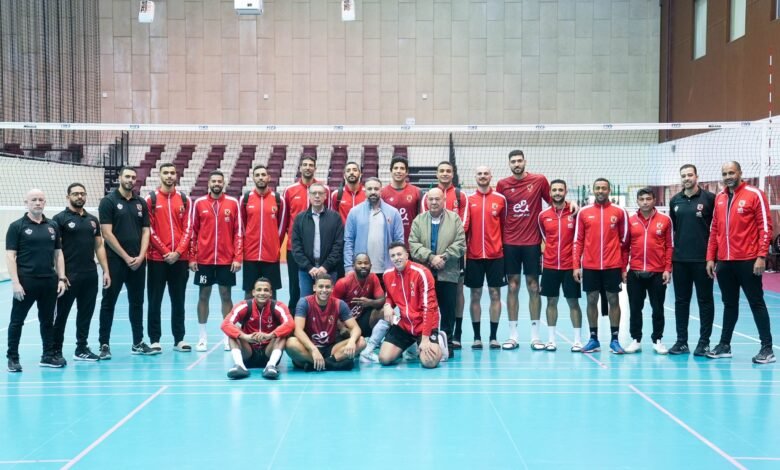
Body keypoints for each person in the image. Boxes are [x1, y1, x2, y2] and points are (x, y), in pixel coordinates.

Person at [705, 161, 775, 364]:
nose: (728, 176)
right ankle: (724, 345)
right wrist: (710, 257)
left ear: (740, 173)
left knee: (756, 302)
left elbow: (765, 227)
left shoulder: (755, 194)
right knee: (729, 304)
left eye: (731, 172)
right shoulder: (720, 198)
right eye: (725, 173)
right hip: (725, 262)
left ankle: (767, 348)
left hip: (749, 260)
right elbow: (714, 230)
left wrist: (761, 256)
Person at [496, 150, 555, 351]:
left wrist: (571, 204)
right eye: (513, 161)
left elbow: (553, 203)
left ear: (525, 162)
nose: (517, 164)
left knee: (533, 286)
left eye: (519, 160)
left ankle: (535, 336)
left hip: (532, 243)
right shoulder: (502, 185)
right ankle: (513, 336)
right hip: (510, 243)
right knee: (512, 287)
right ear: (509, 164)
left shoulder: (539, 180)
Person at [6, 189, 68, 372]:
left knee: (47, 321)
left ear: (45, 202)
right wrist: (15, 283)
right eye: (34, 200)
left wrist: (61, 278)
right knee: (17, 321)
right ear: (26, 203)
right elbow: (10, 256)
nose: (38, 203)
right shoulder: (16, 226)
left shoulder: (52, 225)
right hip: (26, 282)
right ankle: (13, 358)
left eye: (41, 199)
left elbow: (58, 254)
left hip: (49, 281)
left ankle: (47, 355)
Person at [98, 167, 154, 358]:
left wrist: (141, 255)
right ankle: (104, 344)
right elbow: (107, 233)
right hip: (115, 261)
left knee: (137, 303)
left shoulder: (140, 202)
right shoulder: (108, 202)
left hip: (138, 262)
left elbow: (146, 230)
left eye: (133, 177)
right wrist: (125, 256)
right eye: (127, 176)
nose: (130, 180)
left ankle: (138, 342)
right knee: (108, 302)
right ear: (120, 178)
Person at [52, 183, 111, 363]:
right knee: (61, 315)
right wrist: (61, 276)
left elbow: (99, 246)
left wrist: (105, 271)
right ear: (68, 197)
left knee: (85, 314)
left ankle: (81, 348)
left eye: (82, 194)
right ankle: (55, 350)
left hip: (90, 275)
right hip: (69, 276)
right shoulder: (59, 219)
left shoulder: (92, 220)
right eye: (76, 194)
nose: (79, 197)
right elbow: (56, 251)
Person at [573, 178, 628, 354]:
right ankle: (593, 339)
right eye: (597, 188)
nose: (600, 191)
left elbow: (625, 241)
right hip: (590, 266)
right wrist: (576, 265)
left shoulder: (619, 211)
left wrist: (623, 267)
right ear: (593, 190)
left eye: (604, 188)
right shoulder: (584, 212)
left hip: (612, 265)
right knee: (591, 300)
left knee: (614, 300)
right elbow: (578, 240)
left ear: (609, 190)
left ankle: (614, 340)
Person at [408, 188, 466, 358]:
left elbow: (461, 243)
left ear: (444, 200)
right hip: (424, 274)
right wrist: (431, 257)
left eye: (437, 199)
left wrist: (444, 257)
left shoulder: (454, 219)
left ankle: (447, 344)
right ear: (426, 201)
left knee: (448, 311)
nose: (433, 202)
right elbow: (413, 244)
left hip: (448, 272)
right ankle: (426, 342)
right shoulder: (419, 220)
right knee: (425, 309)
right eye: (431, 199)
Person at [189, 171, 243, 352]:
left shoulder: (233, 203)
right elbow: (193, 232)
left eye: (220, 181)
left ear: (224, 183)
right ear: (209, 183)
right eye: (214, 181)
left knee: (226, 296)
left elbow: (238, 232)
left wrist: (237, 257)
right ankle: (202, 337)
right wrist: (192, 257)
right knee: (203, 296)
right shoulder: (199, 203)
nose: (217, 184)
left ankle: (228, 337)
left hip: (226, 260)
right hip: (204, 260)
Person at [668, 164, 716, 356]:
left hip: (703, 261)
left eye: (689, 175)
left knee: (705, 301)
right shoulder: (675, 200)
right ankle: (681, 342)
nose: (686, 178)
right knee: (681, 302)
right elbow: (675, 228)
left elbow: (717, 228)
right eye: (683, 176)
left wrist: (713, 257)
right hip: (680, 260)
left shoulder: (709, 199)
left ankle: (704, 343)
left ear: (697, 176)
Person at [145, 162, 191, 354]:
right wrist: (165, 252)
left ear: (176, 175)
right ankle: (154, 340)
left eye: (172, 172)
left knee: (178, 300)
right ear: (160, 175)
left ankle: (179, 339)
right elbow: (149, 230)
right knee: (154, 300)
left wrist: (178, 252)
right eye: (166, 173)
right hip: (157, 259)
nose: (170, 176)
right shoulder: (151, 199)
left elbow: (188, 229)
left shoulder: (184, 199)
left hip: (180, 260)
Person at [421, 160, 468, 348]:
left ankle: (453, 336)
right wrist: (431, 257)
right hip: (429, 260)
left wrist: (444, 255)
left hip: (452, 259)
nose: (445, 173)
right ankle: (428, 336)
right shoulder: (427, 197)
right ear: (437, 173)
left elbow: (463, 226)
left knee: (454, 296)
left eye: (448, 171)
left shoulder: (459, 195)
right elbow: (423, 226)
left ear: (453, 173)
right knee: (429, 299)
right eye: (442, 171)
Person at [379, 242, 447, 368]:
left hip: (424, 325)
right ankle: (411, 346)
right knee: (384, 358)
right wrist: (387, 306)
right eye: (393, 256)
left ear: (406, 255)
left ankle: (439, 340)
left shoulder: (422, 273)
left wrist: (425, 339)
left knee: (429, 362)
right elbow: (389, 297)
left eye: (399, 254)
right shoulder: (387, 275)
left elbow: (429, 307)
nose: (396, 258)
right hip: (405, 325)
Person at [623, 188, 673, 355]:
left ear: (654, 200)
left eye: (648, 199)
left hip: (657, 273)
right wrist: (623, 269)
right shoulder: (630, 221)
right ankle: (635, 340)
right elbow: (625, 248)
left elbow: (669, 246)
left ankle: (657, 340)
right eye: (642, 199)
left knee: (658, 309)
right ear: (637, 201)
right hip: (635, 272)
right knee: (635, 308)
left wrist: (667, 269)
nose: (645, 202)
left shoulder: (665, 220)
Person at [285, 273, 366, 371]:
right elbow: (298, 330)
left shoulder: (339, 304)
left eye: (327, 287)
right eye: (321, 287)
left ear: (332, 288)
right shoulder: (304, 302)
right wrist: (313, 349)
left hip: (331, 348)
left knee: (361, 341)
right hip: (309, 348)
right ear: (314, 288)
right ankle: (332, 364)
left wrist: (352, 341)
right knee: (290, 343)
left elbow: (355, 328)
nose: (324, 290)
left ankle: (318, 365)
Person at [463, 167, 507, 349]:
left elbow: (504, 226)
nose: (482, 176)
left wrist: (500, 247)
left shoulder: (500, 199)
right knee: (475, 294)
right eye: (479, 174)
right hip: (474, 255)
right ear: (475, 177)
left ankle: (494, 337)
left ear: (491, 176)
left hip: (496, 256)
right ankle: (477, 337)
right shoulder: (468, 200)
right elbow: (464, 228)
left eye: (485, 173)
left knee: (495, 294)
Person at [537, 180, 583, 352]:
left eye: (560, 190)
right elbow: (545, 237)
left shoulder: (575, 212)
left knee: (573, 302)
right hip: (550, 266)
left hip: (570, 266)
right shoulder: (543, 215)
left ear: (565, 191)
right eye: (554, 190)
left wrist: (577, 263)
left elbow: (580, 237)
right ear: (550, 192)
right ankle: (551, 340)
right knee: (551, 301)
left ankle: (577, 340)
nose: (557, 192)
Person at [221, 277, 294, 380]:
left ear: (271, 293)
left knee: (281, 333)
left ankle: (271, 365)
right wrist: (245, 337)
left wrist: (270, 335)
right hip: (248, 352)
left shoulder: (278, 306)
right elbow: (225, 324)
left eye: (266, 290)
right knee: (234, 331)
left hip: (268, 352)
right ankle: (239, 365)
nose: (262, 293)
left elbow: (290, 324)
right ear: (253, 292)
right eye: (259, 290)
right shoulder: (244, 305)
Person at [283, 156, 330, 311]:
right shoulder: (289, 190)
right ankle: (294, 319)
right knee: (295, 288)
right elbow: (284, 219)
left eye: (311, 165)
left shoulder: (324, 190)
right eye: (305, 165)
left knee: (320, 287)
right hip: (295, 249)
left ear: (315, 168)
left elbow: (328, 216)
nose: (308, 167)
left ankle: (318, 318)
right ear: (300, 168)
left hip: (318, 248)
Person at [333, 253, 388, 363]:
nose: (363, 266)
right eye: (359, 263)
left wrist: (370, 302)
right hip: (345, 325)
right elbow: (331, 308)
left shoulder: (373, 278)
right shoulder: (343, 282)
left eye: (366, 263)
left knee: (384, 312)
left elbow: (382, 300)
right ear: (353, 266)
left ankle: (369, 348)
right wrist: (341, 327)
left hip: (362, 319)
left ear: (371, 266)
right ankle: (359, 342)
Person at [241, 164, 285, 299]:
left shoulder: (278, 199)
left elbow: (281, 228)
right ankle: (249, 314)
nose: (261, 177)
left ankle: (271, 314)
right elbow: (242, 226)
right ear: (253, 178)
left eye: (263, 175)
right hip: (250, 255)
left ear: (268, 177)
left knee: (271, 293)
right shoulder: (245, 199)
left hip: (271, 255)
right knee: (249, 292)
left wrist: (274, 245)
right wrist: (247, 245)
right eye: (257, 175)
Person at [291, 183, 344, 296]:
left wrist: (325, 266)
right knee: (306, 302)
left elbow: (338, 246)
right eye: (314, 193)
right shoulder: (300, 218)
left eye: (320, 193)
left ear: (325, 196)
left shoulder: (335, 218)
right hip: (306, 271)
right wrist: (309, 267)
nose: (317, 196)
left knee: (329, 302)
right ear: (309, 196)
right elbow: (296, 247)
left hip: (329, 270)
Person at [343, 177, 404, 275]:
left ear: (381, 190)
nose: (373, 192)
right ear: (365, 191)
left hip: (388, 270)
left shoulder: (393, 212)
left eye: (376, 189)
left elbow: (399, 241)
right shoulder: (354, 212)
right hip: (362, 269)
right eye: (369, 189)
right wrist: (348, 267)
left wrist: (399, 265)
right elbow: (348, 242)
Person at [380, 155, 422, 244]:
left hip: (411, 242)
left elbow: (421, 219)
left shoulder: (417, 191)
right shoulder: (382, 193)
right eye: (395, 168)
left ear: (407, 172)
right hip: (389, 243)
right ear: (391, 171)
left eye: (402, 168)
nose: (398, 171)